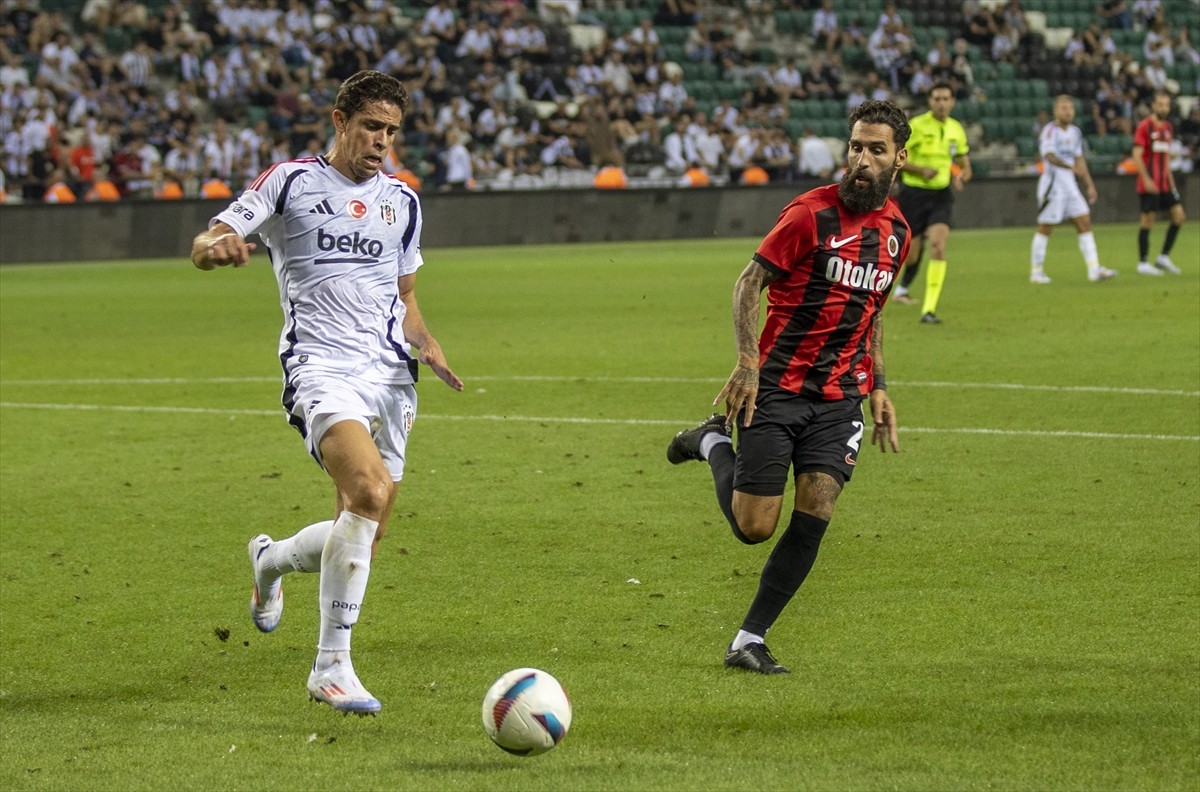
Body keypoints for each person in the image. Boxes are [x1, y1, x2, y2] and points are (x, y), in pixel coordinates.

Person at [189, 71, 464, 715]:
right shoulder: (290, 181)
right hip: (320, 364)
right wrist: (219, 247)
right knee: (367, 493)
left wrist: (428, 341)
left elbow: (406, 296)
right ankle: (330, 667)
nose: (382, 142)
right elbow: (206, 240)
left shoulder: (404, 201)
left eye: (392, 131)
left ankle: (271, 563)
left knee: (364, 530)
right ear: (340, 121)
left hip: (392, 374)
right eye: (372, 127)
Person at [666, 100, 911, 675]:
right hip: (776, 386)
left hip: (838, 398)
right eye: (855, 146)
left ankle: (748, 638)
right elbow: (749, 283)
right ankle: (709, 443)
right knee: (755, 527)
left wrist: (877, 384)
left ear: (899, 158)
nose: (861, 159)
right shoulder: (808, 215)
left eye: (876, 150)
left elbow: (872, 310)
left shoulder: (897, 231)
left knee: (817, 507)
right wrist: (749, 360)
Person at [889, 83, 971, 324]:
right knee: (912, 254)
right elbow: (896, 158)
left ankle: (929, 309)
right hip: (914, 194)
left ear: (953, 101)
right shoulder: (917, 126)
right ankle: (901, 288)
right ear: (930, 100)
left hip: (941, 195)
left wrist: (962, 176)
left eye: (946, 98)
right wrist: (920, 169)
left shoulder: (956, 129)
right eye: (937, 98)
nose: (942, 103)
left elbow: (965, 164)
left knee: (938, 245)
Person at [1030, 95, 1118, 284]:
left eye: (1070, 108)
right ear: (1056, 111)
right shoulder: (1050, 131)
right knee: (1046, 227)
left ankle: (1094, 269)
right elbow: (1050, 156)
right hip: (1053, 187)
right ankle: (1036, 272)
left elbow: (1079, 160)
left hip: (1070, 187)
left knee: (1085, 223)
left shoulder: (1075, 132)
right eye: (1063, 107)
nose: (1068, 111)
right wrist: (1070, 168)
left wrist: (1089, 184)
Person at [1132, 92, 1186, 276]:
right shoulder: (1145, 127)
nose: (1164, 108)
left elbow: (1166, 159)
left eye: (1167, 105)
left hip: (1164, 183)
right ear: (1154, 105)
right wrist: (1146, 179)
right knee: (1148, 221)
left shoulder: (1168, 128)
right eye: (1160, 104)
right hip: (1149, 183)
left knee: (1179, 215)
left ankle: (1163, 257)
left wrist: (1172, 184)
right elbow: (1137, 155)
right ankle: (1143, 262)